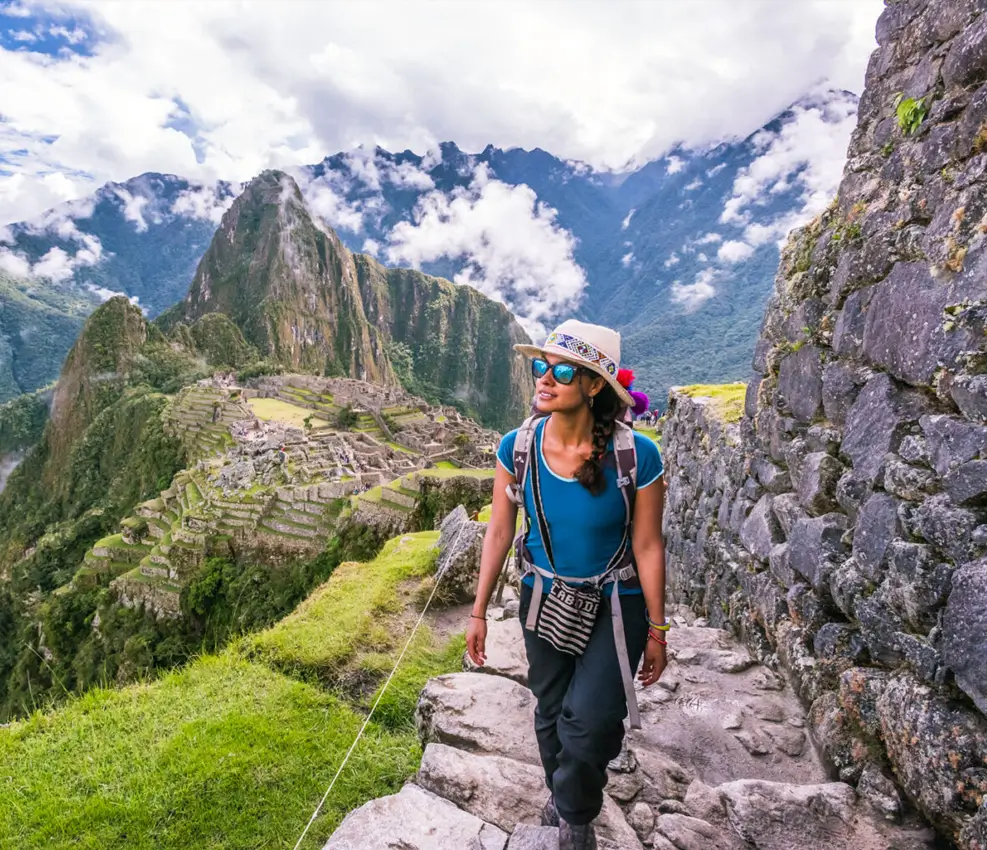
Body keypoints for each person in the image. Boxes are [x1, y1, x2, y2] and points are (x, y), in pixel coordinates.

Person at [466, 319, 668, 850]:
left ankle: (575, 819)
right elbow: (500, 532)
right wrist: (478, 611)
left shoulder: (636, 455)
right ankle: (566, 802)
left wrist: (658, 629)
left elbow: (649, 545)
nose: (543, 379)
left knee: (592, 721)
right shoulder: (517, 448)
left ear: (595, 385)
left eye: (560, 372)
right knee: (552, 708)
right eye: (542, 367)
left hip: (617, 602)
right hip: (544, 595)